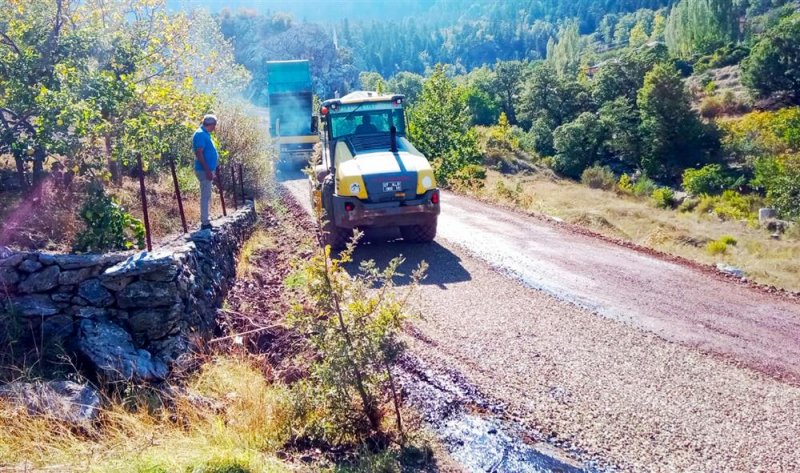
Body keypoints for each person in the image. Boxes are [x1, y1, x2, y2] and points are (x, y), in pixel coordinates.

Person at [193, 114, 218, 230]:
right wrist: (208, 170)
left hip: (207, 169)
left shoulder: (204, 134)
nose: (215, 128)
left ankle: (206, 219)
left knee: (207, 195)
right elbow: (199, 153)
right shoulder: (200, 134)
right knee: (205, 195)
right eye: (214, 125)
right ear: (211, 124)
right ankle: (205, 222)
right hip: (204, 170)